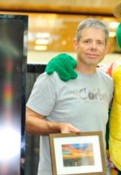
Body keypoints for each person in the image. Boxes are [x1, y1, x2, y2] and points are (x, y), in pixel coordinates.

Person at [25, 18, 114, 175]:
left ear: (106, 48)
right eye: (87, 41)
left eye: (99, 43)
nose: (93, 47)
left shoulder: (108, 82)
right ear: (76, 44)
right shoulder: (53, 78)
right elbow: (26, 120)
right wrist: (57, 127)